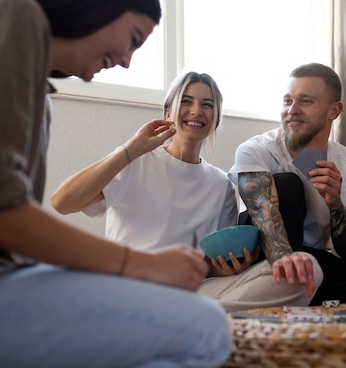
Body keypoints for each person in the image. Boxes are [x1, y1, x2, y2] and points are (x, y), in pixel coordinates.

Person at [0, 0, 231, 368]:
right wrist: (138, 264)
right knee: (207, 328)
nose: (128, 60)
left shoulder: (38, 90)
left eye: (207, 105)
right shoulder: (14, 20)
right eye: (132, 38)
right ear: (102, 1)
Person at [52, 71, 323, 312]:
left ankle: (183, 322)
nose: (197, 111)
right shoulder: (136, 162)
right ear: (168, 112)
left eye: (207, 105)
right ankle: (192, 321)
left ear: (215, 119)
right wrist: (131, 149)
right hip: (132, 290)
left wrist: (226, 267)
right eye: (186, 101)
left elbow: (207, 265)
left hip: (191, 295)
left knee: (305, 269)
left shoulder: (221, 185)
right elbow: (62, 202)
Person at [227, 63, 346, 306]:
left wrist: (335, 204)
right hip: (261, 253)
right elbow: (262, 213)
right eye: (287, 101)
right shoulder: (257, 150)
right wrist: (287, 260)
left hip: (312, 255)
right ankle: (291, 290)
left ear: (334, 111)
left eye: (305, 101)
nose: (292, 110)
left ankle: (308, 307)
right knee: (288, 184)